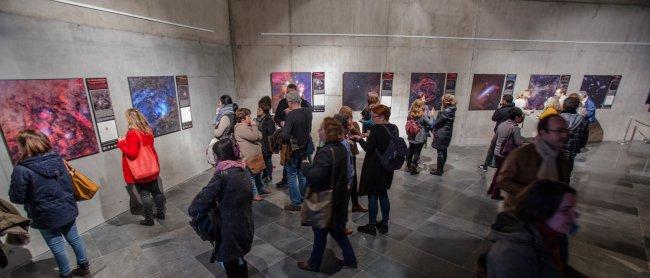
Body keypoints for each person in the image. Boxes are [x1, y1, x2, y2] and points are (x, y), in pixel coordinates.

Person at [9, 129, 90, 278]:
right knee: (74, 238)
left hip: (44, 214)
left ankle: (66, 274)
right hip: (67, 207)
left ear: (24, 146)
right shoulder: (57, 159)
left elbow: (16, 197)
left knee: (57, 246)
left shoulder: (21, 169)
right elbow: (67, 184)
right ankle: (84, 267)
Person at [297, 117, 357, 272]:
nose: (318, 131)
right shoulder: (341, 148)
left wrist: (305, 167)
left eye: (321, 129)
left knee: (320, 232)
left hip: (324, 200)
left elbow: (315, 177)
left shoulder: (326, 152)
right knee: (336, 231)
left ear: (328, 132)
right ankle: (350, 259)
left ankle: (314, 264)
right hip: (338, 198)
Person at [487, 180, 581, 278]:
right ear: (542, 211)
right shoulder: (513, 254)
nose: (575, 215)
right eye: (565, 210)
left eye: (573, 209)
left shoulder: (556, 236)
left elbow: (558, 268)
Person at [188, 138, 254, 278]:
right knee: (240, 260)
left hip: (229, 229)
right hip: (245, 224)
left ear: (220, 156)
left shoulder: (223, 174)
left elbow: (197, 205)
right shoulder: (243, 169)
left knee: (231, 265)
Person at [496, 114, 571, 207]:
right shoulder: (522, 153)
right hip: (520, 210)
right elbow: (502, 181)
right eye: (559, 131)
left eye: (566, 130)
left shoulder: (560, 156)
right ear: (543, 132)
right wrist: (532, 194)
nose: (565, 135)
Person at [352, 105, 398, 236]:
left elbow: (368, 148)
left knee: (372, 195)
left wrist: (360, 139)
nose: (372, 120)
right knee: (383, 194)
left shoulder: (376, 129)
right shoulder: (394, 128)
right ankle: (384, 223)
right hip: (388, 166)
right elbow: (385, 141)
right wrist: (370, 135)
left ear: (382, 116)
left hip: (375, 167)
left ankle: (371, 225)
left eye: (374, 117)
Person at [117, 108, 165, 226]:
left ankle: (149, 219)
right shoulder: (148, 130)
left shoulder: (133, 133)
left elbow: (132, 153)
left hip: (141, 169)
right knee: (156, 191)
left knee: (144, 194)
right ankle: (160, 213)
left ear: (129, 118)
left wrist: (121, 143)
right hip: (151, 166)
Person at [274, 84, 311, 188]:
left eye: (292, 93)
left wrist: (291, 116)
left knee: (295, 171)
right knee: (293, 167)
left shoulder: (302, 106)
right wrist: (281, 122)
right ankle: (300, 196)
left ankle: (296, 201)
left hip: (296, 141)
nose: (289, 95)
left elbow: (286, 135)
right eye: (288, 92)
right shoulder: (283, 102)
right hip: (294, 140)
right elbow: (276, 117)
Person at [282, 91, 313, 211]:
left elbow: (285, 136)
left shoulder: (291, 115)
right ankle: (304, 199)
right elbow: (308, 106)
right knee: (301, 174)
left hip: (294, 149)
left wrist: (286, 123)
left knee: (291, 175)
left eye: (287, 101)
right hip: (305, 147)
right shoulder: (308, 112)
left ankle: (296, 203)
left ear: (291, 102)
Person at [487, 108, 525, 200]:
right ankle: (495, 192)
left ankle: (491, 189)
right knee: (502, 174)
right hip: (506, 154)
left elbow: (494, 139)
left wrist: (491, 149)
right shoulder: (515, 128)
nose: (521, 119)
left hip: (497, 152)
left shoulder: (502, 124)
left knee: (498, 171)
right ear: (516, 117)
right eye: (520, 117)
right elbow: (519, 143)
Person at [234, 108, 268, 201]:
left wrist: (253, 128)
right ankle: (254, 194)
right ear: (242, 119)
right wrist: (255, 126)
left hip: (255, 156)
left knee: (257, 174)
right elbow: (255, 136)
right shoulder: (240, 128)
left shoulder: (247, 126)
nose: (250, 117)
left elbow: (260, 136)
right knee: (251, 176)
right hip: (249, 157)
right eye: (248, 116)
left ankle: (260, 188)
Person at [339, 106, 367, 213]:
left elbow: (360, 136)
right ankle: (342, 209)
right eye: (346, 116)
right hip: (341, 156)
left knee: (353, 180)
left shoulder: (354, 124)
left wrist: (352, 128)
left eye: (350, 116)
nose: (348, 118)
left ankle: (355, 204)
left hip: (352, 155)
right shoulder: (337, 125)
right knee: (343, 182)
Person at [480, 95, 516, 172]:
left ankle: (485, 166)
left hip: (500, 131)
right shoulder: (515, 109)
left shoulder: (502, 110)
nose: (501, 101)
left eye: (502, 100)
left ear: (505, 101)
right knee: (508, 149)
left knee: (492, 148)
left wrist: (498, 108)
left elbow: (494, 118)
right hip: (511, 132)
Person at [560, 97, 589, 176]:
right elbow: (584, 138)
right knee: (566, 175)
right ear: (577, 106)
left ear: (563, 105)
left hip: (556, 151)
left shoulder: (557, 118)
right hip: (571, 152)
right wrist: (578, 148)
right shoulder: (583, 120)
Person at [430, 94, 457, 176]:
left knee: (440, 152)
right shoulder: (452, 110)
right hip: (447, 134)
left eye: (442, 101)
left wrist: (432, 115)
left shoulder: (446, 111)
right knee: (444, 151)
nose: (442, 102)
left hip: (442, 134)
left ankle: (439, 171)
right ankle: (440, 169)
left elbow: (435, 123)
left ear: (446, 101)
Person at [405, 99, 432, 175]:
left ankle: (408, 167)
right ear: (420, 106)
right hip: (420, 136)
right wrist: (432, 116)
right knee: (417, 153)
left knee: (410, 151)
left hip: (411, 135)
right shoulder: (422, 115)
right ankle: (413, 169)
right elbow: (430, 123)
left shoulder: (410, 114)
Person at [256, 101, 276, 184]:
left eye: (259, 109)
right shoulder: (258, 119)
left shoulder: (268, 120)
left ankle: (269, 175)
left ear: (264, 111)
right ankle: (264, 174)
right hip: (259, 143)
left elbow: (271, 132)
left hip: (266, 143)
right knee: (262, 160)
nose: (257, 111)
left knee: (267, 160)